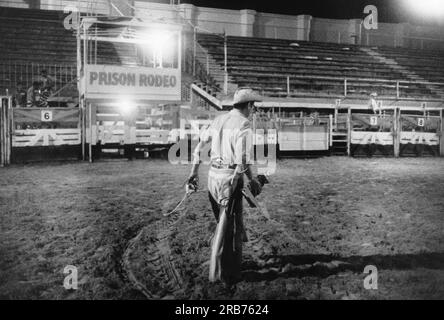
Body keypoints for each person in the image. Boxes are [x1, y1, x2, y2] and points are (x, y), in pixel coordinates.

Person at [187, 88, 263, 288]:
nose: (253, 110)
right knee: (228, 227)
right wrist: (251, 179)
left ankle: (230, 266)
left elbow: (198, 148)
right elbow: (242, 160)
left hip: (212, 177)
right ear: (248, 106)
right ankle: (223, 273)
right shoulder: (244, 124)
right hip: (229, 179)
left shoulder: (219, 120)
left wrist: (193, 174)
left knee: (225, 223)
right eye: (253, 106)